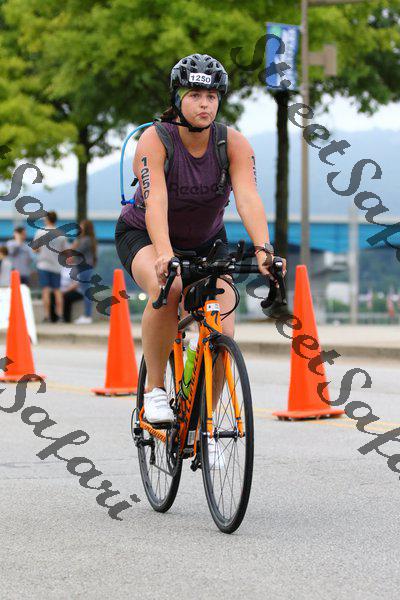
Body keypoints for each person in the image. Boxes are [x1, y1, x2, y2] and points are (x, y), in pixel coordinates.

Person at [115, 53, 286, 425]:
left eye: (211, 96)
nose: (204, 104)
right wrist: (164, 254)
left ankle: (203, 425)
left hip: (207, 242)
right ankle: (154, 391)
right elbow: (156, 202)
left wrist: (264, 249)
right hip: (144, 235)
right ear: (178, 99)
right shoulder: (155, 140)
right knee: (170, 287)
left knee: (223, 326)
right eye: (194, 95)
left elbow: (248, 198)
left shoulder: (233, 143)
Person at [32, 211, 67, 323]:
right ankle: (60, 315)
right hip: (56, 266)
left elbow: (35, 249)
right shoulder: (61, 234)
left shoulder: (40, 232)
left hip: (43, 265)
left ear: (47, 219)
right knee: (57, 291)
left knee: (45, 290)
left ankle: (47, 316)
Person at [70, 219, 97, 324]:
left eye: (82, 226)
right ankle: (87, 315)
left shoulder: (85, 240)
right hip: (85, 267)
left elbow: (77, 251)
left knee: (86, 291)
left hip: (84, 267)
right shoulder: (89, 239)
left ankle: (87, 315)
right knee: (85, 290)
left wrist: (74, 244)